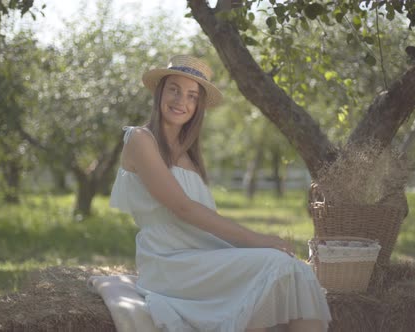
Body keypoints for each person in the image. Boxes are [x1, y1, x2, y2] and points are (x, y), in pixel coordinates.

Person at [108, 55, 331, 332]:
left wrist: (250, 247)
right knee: (278, 266)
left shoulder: (190, 157)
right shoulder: (141, 139)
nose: (181, 101)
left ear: (198, 105)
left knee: (295, 270)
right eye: (174, 89)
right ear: (159, 92)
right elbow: (183, 208)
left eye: (191, 96)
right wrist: (259, 240)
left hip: (204, 256)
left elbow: (205, 221)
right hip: (169, 263)